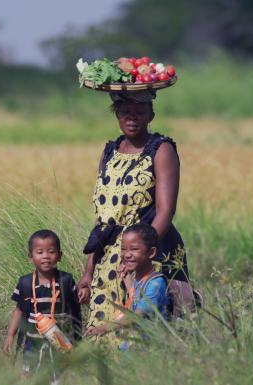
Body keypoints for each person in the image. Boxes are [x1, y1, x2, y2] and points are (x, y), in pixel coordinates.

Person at [77, 90, 194, 343]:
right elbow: (102, 219)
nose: (132, 118)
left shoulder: (161, 149)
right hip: (108, 255)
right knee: (104, 328)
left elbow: (165, 211)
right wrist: (89, 270)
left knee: (145, 328)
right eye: (126, 112)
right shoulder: (110, 151)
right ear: (117, 115)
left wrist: (139, 255)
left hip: (150, 251)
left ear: (151, 114)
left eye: (139, 112)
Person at [4, 229, 82, 382]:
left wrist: (78, 339)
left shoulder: (66, 281)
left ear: (59, 256)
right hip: (32, 342)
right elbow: (19, 310)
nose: (46, 256)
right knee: (30, 376)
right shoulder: (25, 283)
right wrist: (10, 335)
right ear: (30, 257)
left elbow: (76, 311)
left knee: (59, 377)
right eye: (40, 252)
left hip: (60, 340)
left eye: (51, 251)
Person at [85, 223, 169, 345]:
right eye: (123, 249)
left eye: (134, 249)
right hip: (134, 350)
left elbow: (136, 316)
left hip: (150, 351)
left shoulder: (156, 284)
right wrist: (127, 279)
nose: (127, 254)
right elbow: (135, 298)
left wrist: (104, 328)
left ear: (151, 253)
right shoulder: (140, 279)